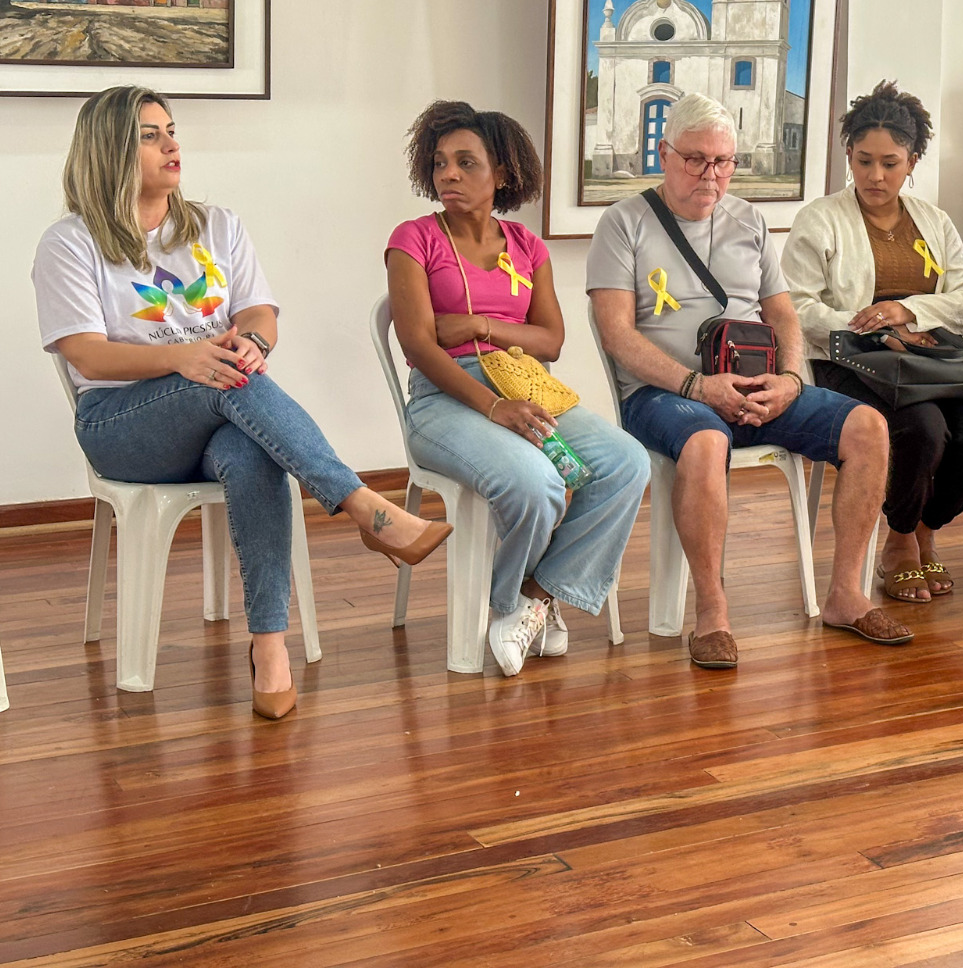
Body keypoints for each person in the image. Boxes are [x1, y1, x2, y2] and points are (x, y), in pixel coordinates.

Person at [32, 86, 451, 719]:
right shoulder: (70, 242)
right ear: (109, 149)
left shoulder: (217, 225)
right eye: (150, 135)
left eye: (172, 130)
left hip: (217, 406)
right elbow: (87, 356)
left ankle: (270, 649)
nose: (172, 144)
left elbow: (259, 314)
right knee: (227, 379)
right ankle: (364, 507)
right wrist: (185, 357)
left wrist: (252, 343)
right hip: (122, 427)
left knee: (252, 450)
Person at [587, 92, 910, 668]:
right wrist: (696, 386)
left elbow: (783, 314)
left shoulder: (749, 221)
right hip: (665, 396)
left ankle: (845, 594)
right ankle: (712, 612)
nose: (710, 175)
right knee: (705, 441)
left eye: (723, 162)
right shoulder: (623, 223)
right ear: (664, 154)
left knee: (869, 427)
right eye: (695, 159)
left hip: (757, 387)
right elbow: (616, 334)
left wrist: (789, 379)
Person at [385, 101, 649, 676]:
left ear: (502, 173)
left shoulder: (527, 245)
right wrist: (493, 406)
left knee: (627, 463)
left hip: (528, 385)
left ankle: (534, 595)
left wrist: (480, 325)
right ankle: (512, 605)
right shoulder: (413, 239)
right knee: (535, 482)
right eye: (440, 162)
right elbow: (420, 346)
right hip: (443, 398)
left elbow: (550, 340)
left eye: (466, 162)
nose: (449, 174)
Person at [782, 81, 963, 602]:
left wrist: (910, 311)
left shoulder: (934, 221)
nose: (875, 176)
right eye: (864, 161)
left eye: (890, 163)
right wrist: (875, 327)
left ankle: (924, 527)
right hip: (850, 364)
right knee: (923, 428)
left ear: (913, 161)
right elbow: (796, 306)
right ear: (848, 155)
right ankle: (900, 540)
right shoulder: (820, 219)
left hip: (927, 365)